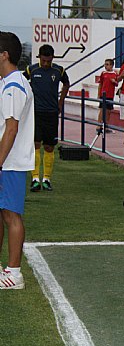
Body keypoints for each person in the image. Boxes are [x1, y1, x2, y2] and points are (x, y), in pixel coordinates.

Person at [0, 31, 35, 289]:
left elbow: (11, 129)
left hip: (9, 162)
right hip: (6, 161)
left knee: (12, 215)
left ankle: (14, 273)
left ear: (4, 55)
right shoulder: (8, 83)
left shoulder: (14, 86)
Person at [24, 44, 69, 192]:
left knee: (49, 146)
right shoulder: (32, 70)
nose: (45, 64)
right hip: (36, 113)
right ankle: (35, 179)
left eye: (48, 61)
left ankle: (47, 179)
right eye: (43, 60)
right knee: (35, 144)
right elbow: (22, 83)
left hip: (51, 113)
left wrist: (60, 102)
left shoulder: (59, 70)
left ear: (52, 58)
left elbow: (66, 84)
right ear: (39, 57)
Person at [96, 58, 117, 132]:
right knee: (102, 110)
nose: (106, 66)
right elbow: (100, 84)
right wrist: (99, 94)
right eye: (105, 64)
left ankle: (106, 125)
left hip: (110, 95)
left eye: (107, 64)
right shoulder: (103, 73)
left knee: (108, 111)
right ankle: (98, 125)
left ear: (112, 65)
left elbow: (116, 84)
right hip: (103, 95)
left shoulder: (114, 74)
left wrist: (114, 81)